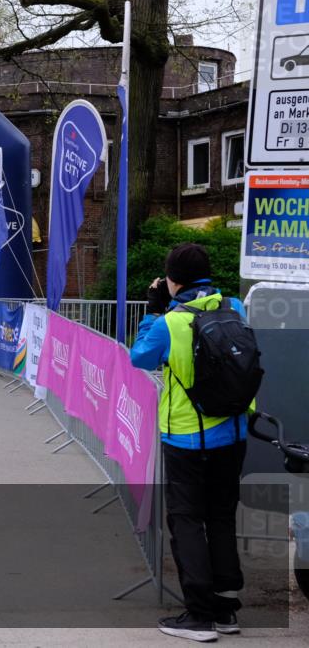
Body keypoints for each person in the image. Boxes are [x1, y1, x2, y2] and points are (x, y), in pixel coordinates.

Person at [130, 243, 251, 642]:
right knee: (220, 516)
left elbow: (140, 358)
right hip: (233, 432)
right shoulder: (234, 306)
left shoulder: (170, 321)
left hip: (186, 436)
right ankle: (226, 610)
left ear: (171, 280)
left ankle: (199, 616)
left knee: (186, 520)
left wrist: (152, 310)